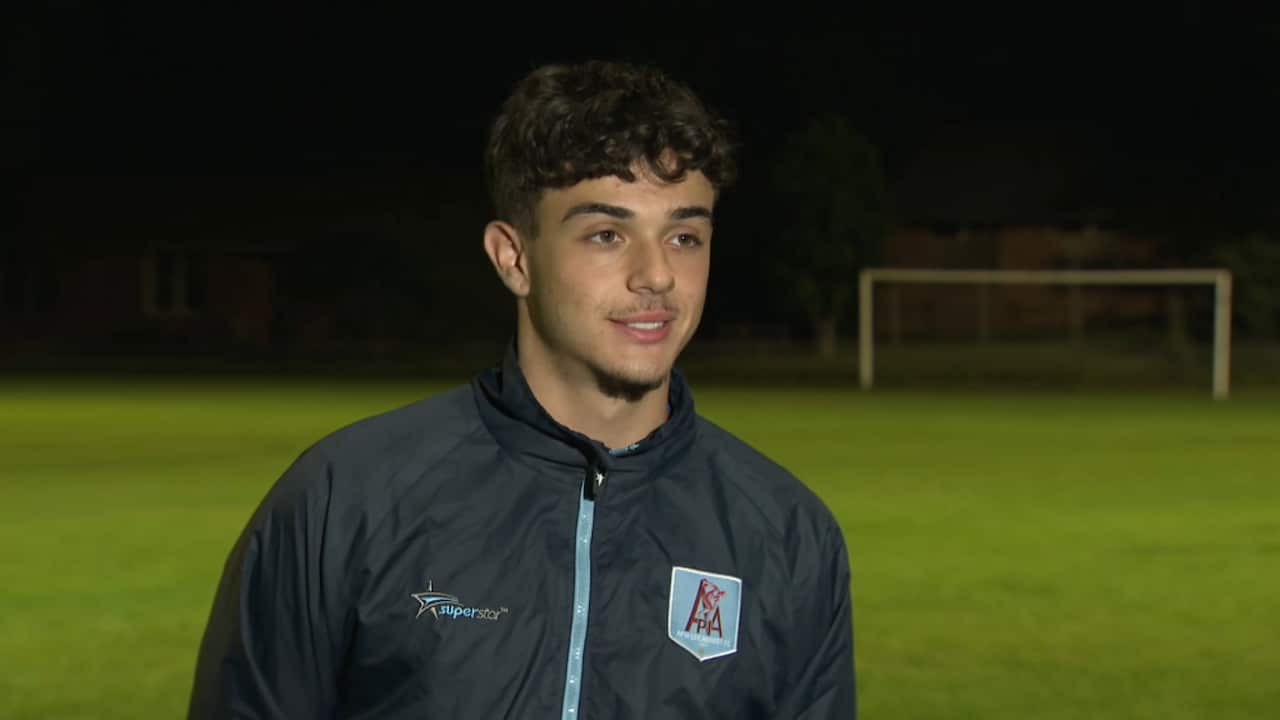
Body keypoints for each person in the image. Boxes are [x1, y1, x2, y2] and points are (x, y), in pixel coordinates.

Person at [188, 59, 856, 719]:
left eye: (684, 236)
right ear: (514, 258)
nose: (655, 274)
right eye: (606, 234)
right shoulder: (345, 501)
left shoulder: (786, 535)